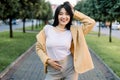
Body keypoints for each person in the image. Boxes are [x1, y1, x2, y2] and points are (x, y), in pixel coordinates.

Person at [36, 1, 96, 80]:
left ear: (70, 16)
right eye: (61, 14)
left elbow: (91, 22)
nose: (64, 17)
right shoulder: (47, 29)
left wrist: (74, 12)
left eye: (67, 14)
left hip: (70, 70)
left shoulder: (73, 31)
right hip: (53, 72)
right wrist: (47, 60)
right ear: (57, 15)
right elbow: (38, 47)